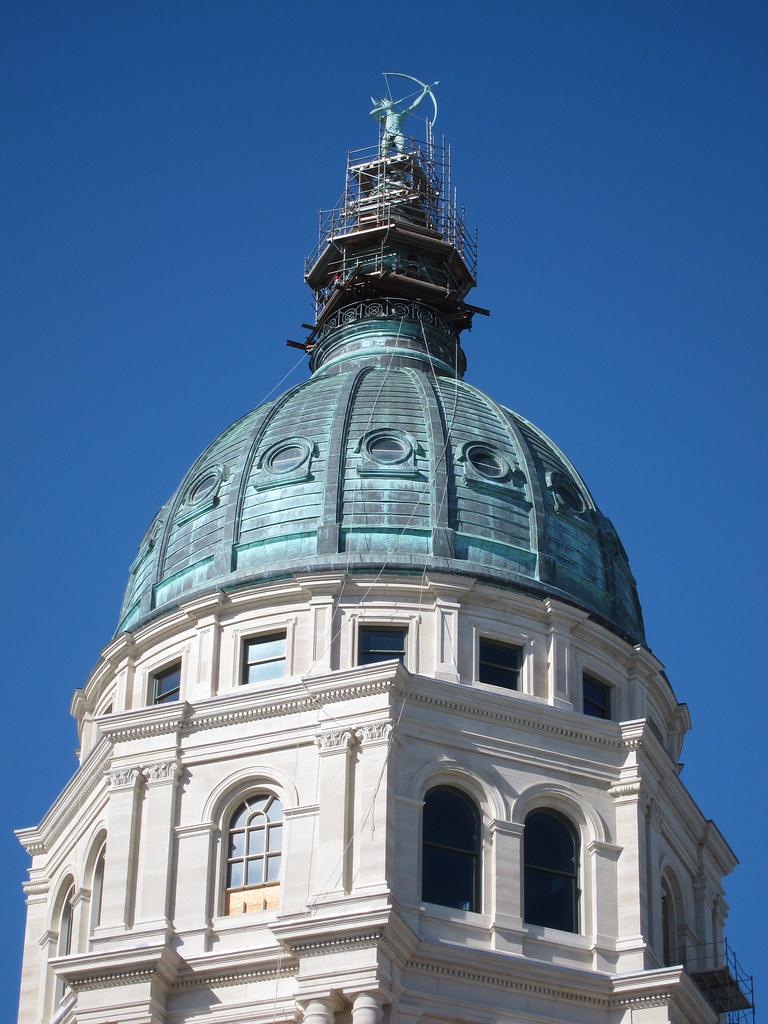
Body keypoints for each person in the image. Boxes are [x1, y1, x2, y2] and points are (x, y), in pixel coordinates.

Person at [370, 82, 436, 155]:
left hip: (398, 133)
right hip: (387, 135)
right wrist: (384, 108)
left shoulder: (400, 115)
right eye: (387, 102)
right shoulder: (384, 118)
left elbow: (414, 105)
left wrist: (424, 93)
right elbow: (372, 114)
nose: (390, 102)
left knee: (401, 149)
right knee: (384, 153)